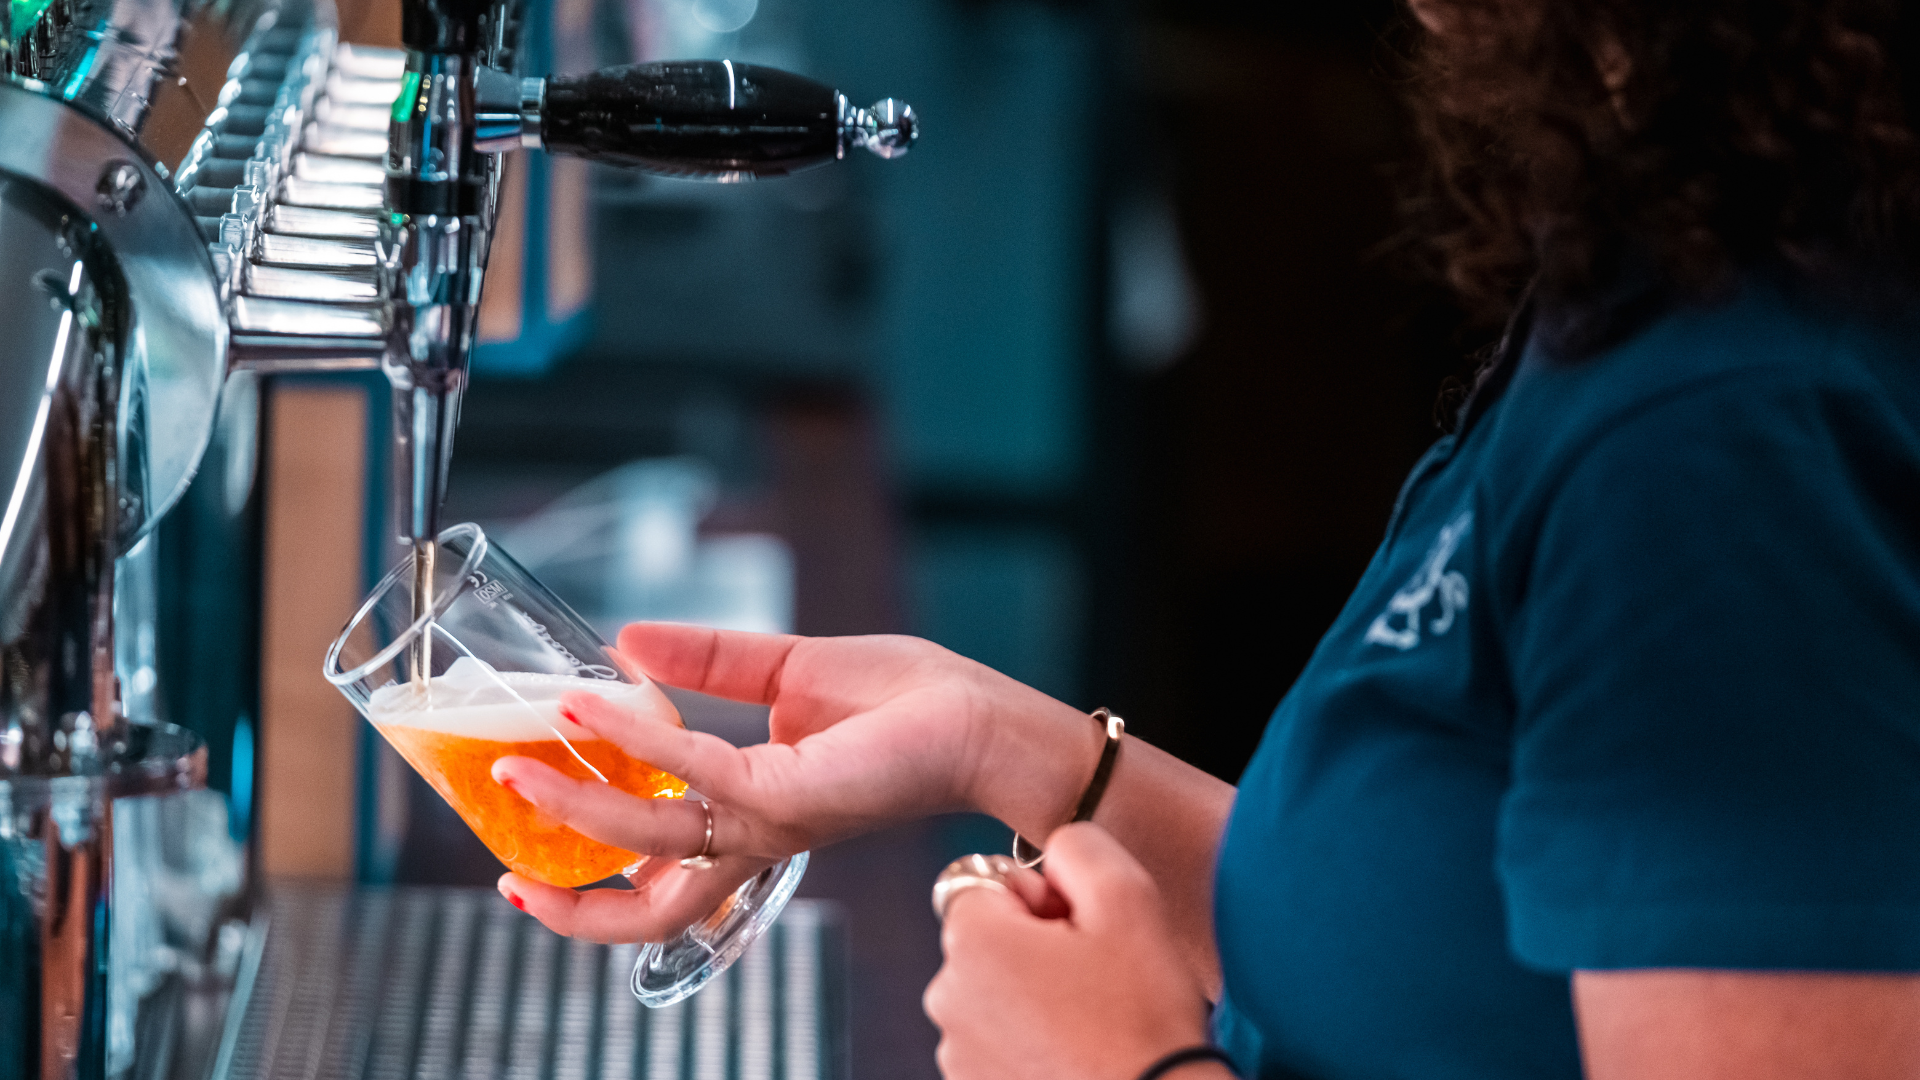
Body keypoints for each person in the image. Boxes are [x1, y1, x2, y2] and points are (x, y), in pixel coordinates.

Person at [487, 0, 1920, 1075]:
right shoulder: (1668, 281)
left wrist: (1136, 1071)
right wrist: (1010, 749)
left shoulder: (1725, 428)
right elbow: (1453, 968)